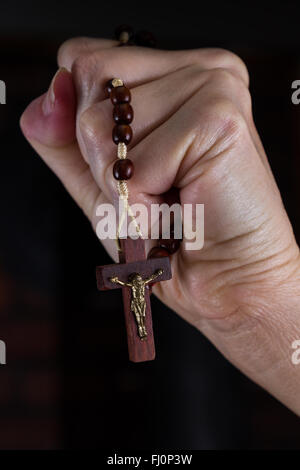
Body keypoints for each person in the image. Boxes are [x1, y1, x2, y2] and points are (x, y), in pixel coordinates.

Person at [20, 37, 300, 416]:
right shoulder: (131, 276)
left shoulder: (142, 271)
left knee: (139, 312)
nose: (136, 284)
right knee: (139, 312)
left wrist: (261, 294)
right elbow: (121, 278)